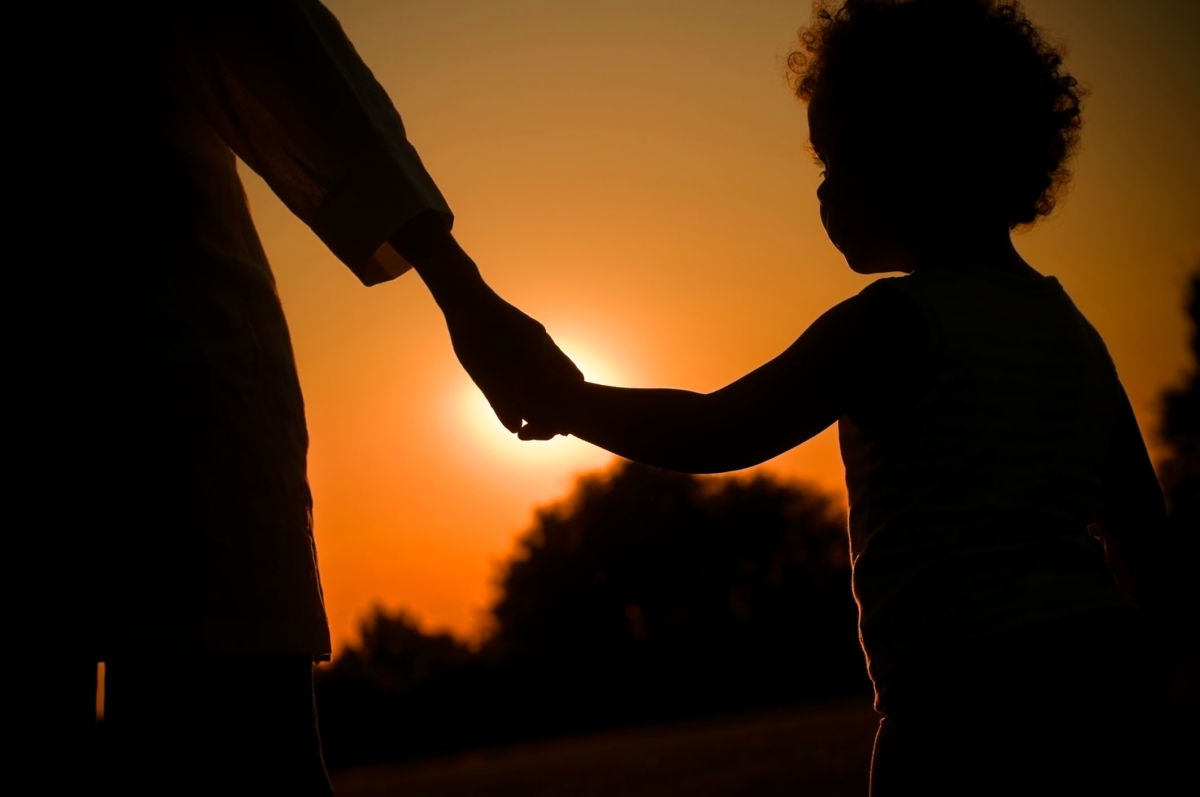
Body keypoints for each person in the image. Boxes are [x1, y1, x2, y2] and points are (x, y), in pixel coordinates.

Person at [519, 0, 1183, 793]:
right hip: (1107, 678)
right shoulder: (1072, 329)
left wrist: (571, 402)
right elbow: (1143, 535)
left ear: (916, 158)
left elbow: (717, 430)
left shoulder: (893, 323)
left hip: (962, 705)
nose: (824, 194)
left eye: (837, 164)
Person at [22, 1, 578, 794]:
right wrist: (462, 289)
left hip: (166, 345)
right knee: (243, 739)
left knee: (226, 724)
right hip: (165, 344)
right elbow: (282, 46)